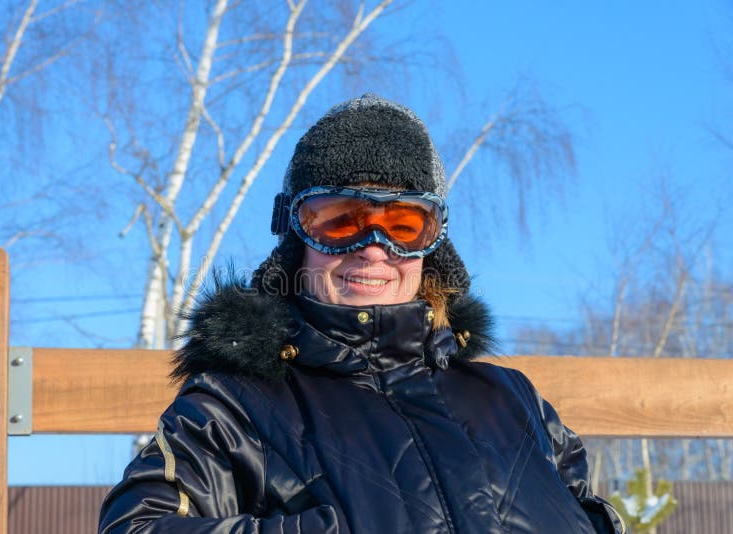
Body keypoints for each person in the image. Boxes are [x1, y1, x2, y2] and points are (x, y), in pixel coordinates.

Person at [99, 94, 624, 533]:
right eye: (339, 220)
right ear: (296, 238)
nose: (373, 248)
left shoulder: (513, 401)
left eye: (402, 224)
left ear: (432, 246)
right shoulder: (233, 409)